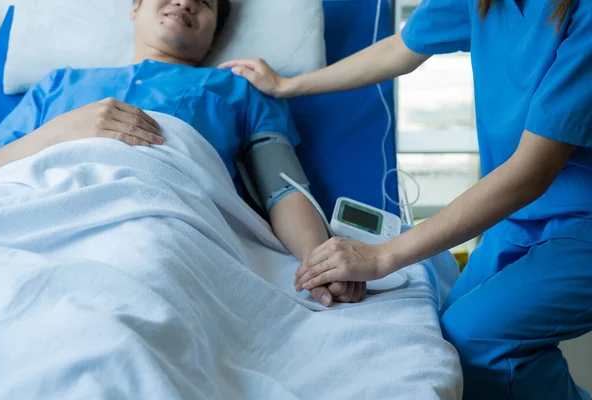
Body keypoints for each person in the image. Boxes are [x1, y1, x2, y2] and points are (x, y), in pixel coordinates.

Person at [220, 0, 592, 399]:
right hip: (518, 220)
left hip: (578, 223)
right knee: (450, 340)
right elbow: (402, 48)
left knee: (477, 338)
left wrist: (383, 256)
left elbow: (529, 174)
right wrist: (288, 86)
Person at [0, 0, 366, 307]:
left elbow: (283, 190)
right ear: (136, 6)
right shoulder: (59, 84)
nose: (185, 2)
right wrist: (60, 131)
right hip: (37, 215)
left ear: (213, 34)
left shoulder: (238, 89)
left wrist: (321, 261)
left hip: (159, 221)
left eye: (203, 3)